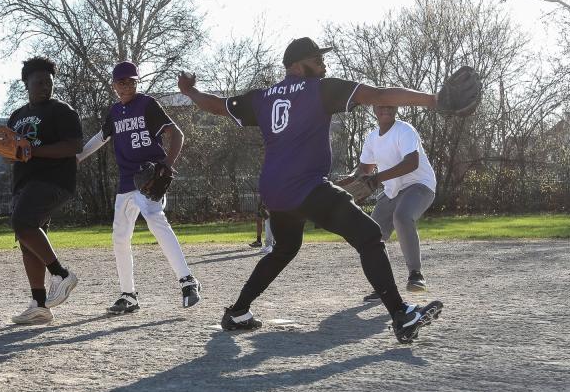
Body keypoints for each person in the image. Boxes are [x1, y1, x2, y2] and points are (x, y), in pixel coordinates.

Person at [177, 37, 443, 343]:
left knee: (284, 249)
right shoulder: (321, 88)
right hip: (306, 187)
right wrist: (434, 100)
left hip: (275, 192)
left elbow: (217, 106)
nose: (323, 64)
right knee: (369, 236)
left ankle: (238, 312)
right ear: (297, 65)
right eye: (316, 59)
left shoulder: (262, 97)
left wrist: (190, 92)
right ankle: (401, 315)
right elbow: (381, 94)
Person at [77, 61, 201, 314]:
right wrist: (77, 158)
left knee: (156, 220)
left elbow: (176, 134)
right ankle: (128, 294)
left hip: (148, 176)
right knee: (120, 237)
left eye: (132, 81)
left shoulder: (147, 104)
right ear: (114, 86)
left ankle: (188, 281)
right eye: (122, 82)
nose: (128, 85)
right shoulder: (114, 112)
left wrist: (167, 163)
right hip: (125, 181)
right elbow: (101, 137)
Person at [6, 56, 83, 325]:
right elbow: (11, 152)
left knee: (22, 222)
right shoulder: (16, 116)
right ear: (25, 83)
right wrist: (7, 150)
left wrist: (33, 150)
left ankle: (60, 274)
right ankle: (39, 305)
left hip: (54, 180)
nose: (44, 87)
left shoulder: (61, 111)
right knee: (29, 241)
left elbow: (74, 146)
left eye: (48, 83)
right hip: (24, 183)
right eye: (38, 82)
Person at [355, 105, 436, 299]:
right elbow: (364, 169)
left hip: (420, 185)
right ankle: (383, 285)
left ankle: (415, 275)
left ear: (397, 108)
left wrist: (377, 178)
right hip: (392, 192)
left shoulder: (404, 130)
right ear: (374, 109)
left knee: (402, 217)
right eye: (382, 105)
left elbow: (411, 163)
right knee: (372, 234)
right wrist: (343, 184)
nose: (387, 108)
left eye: (392, 104)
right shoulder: (372, 138)